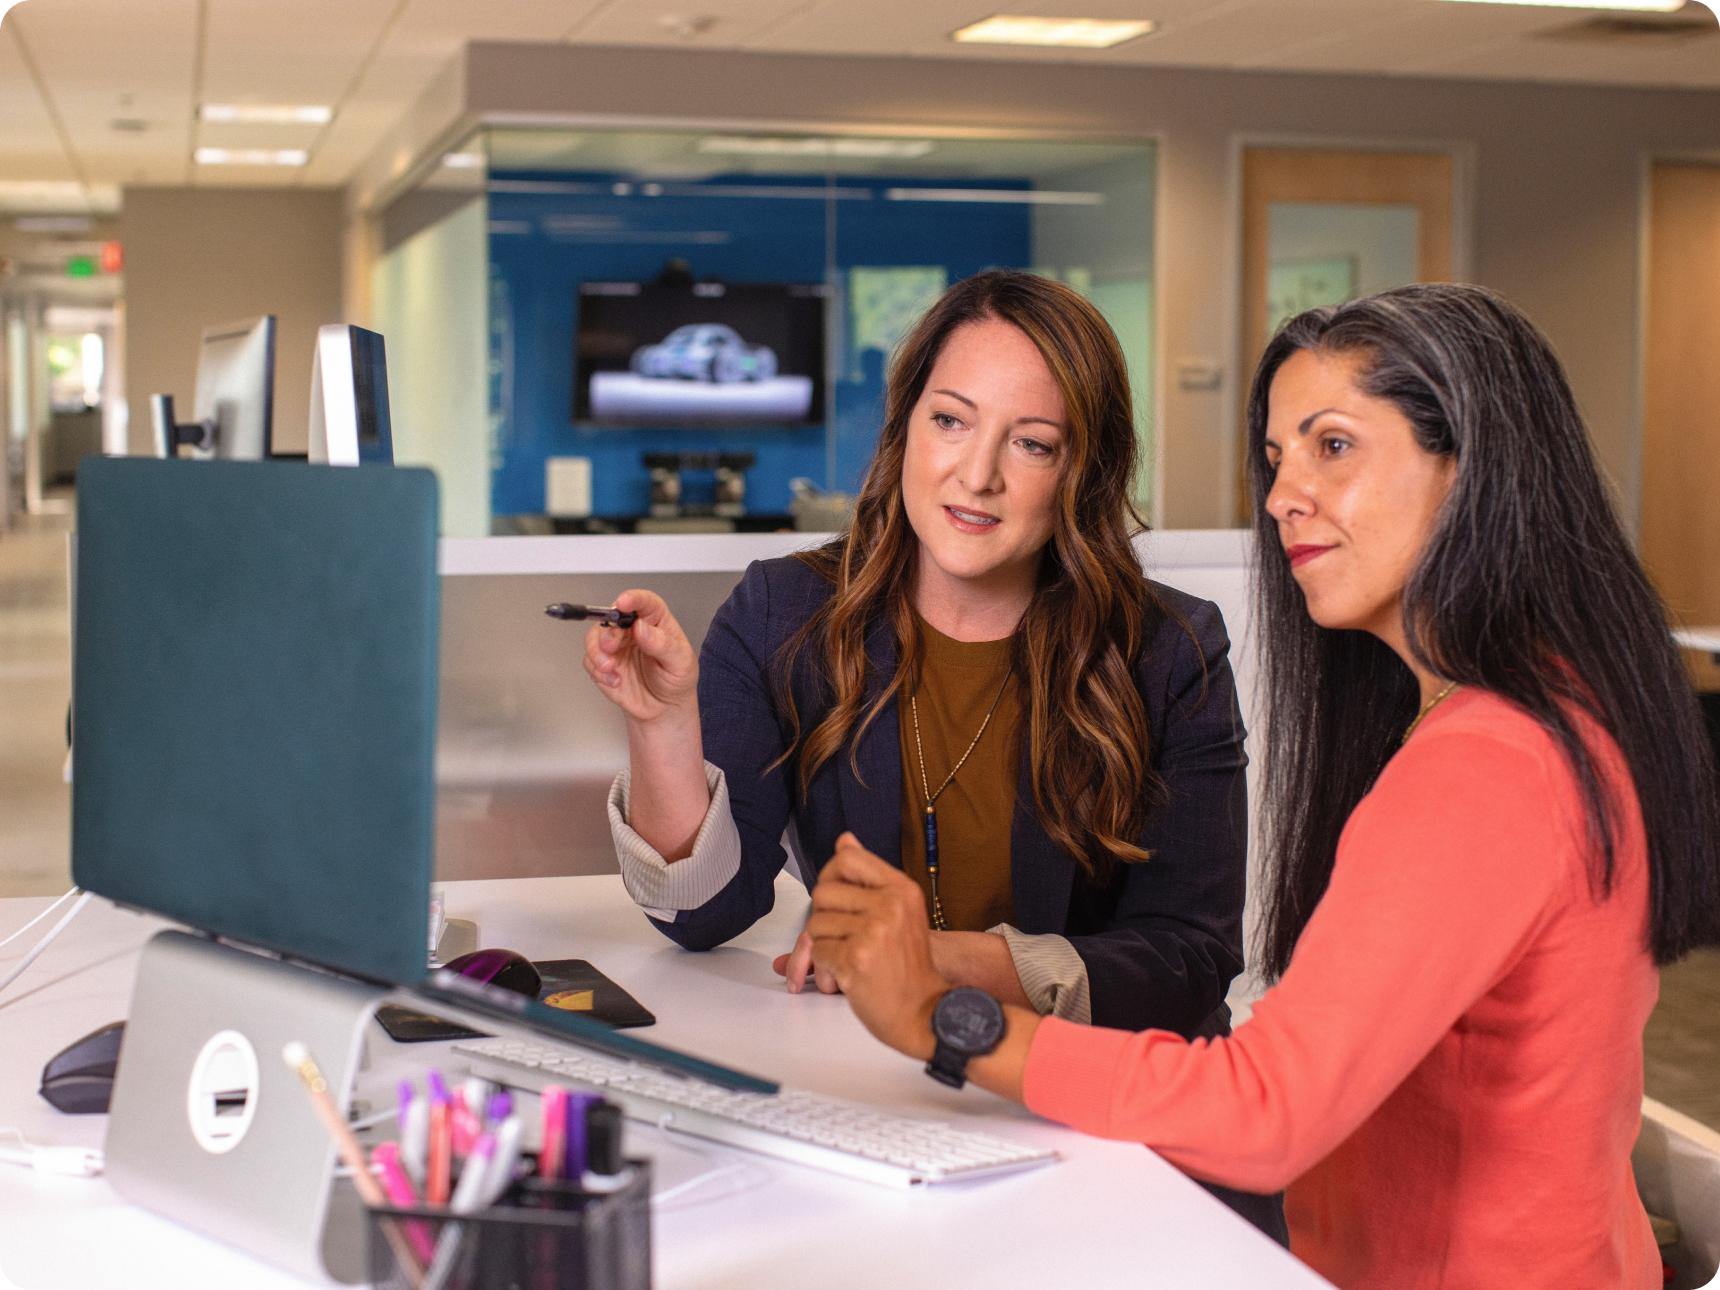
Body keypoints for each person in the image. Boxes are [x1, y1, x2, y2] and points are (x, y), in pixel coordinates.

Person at [804, 283, 1720, 1289]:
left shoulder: (1489, 764)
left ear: (1471, 468)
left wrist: (941, 1018)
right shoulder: (1556, 705)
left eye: (1332, 446)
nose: (1282, 494)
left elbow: (1265, 1113)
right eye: (1278, 458)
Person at [582, 270, 1283, 1237]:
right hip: (890, 1112)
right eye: (951, 421)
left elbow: (1190, 960)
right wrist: (661, 722)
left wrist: (939, 968)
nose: (977, 474)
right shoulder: (785, 613)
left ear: (1084, 470)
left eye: (1031, 444)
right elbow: (706, 913)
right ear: (906, 426)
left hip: (1110, 1129)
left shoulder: (1169, 648)